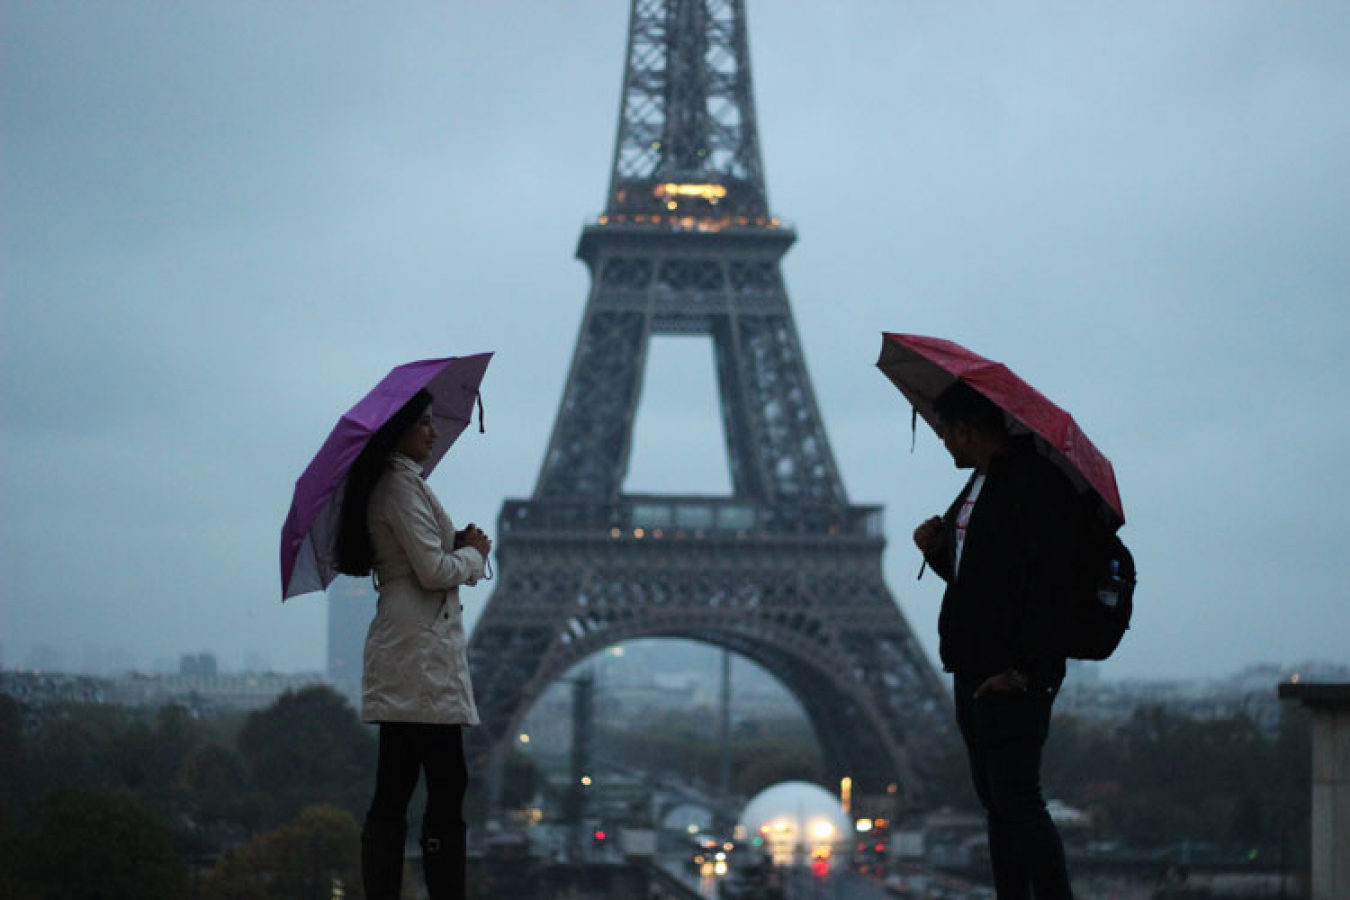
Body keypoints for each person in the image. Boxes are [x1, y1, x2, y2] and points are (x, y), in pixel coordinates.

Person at [912, 381, 1077, 900]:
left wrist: (1024, 671)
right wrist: (939, 552)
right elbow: (984, 582)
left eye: (945, 435)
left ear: (966, 429)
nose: (944, 446)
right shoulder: (982, 483)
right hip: (974, 664)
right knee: (1000, 806)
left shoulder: (1030, 486)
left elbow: (1050, 588)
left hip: (1009, 674)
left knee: (1019, 804)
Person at [336, 388, 491, 900]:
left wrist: (456, 545)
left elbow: (423, 557)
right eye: (423, 422)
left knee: (398, 783)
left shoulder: (398, 485)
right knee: (447, 783)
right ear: (397, 430)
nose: (434, 430)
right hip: (419, 649)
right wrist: (472, 556)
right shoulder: (400, 489)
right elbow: (432, 570)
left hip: (409, 643)